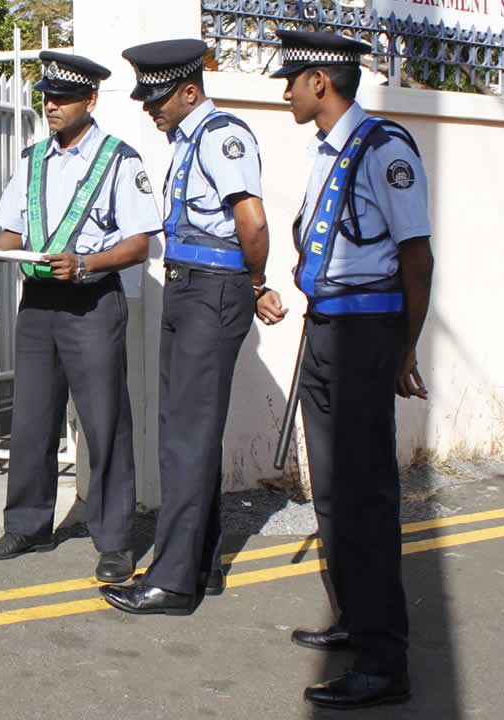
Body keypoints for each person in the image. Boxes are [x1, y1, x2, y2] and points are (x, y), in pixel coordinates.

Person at [256, 30, 434, 710]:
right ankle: (357, 619)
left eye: (293, 80)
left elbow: (416, 257)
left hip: (367, 333)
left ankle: (386, 661)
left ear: (321, 84)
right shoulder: (328, 152)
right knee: (330, 489)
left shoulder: (385, 151)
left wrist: (405, 348)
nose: (287, 90)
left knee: (366, 495)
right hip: (327, 328)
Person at [100, 39, 276, 616]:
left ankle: (173, 583)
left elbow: (251, 219)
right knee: (186, 432)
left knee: (186, 436)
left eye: (158, 99)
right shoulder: (189, 139)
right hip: (190, 287)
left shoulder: (222, 135)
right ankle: (200, 563)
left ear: (190, 91)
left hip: (210, 290)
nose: (151, 109)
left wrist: (254, 283)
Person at [0, 51, 161, 584]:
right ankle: (27, 525)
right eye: (46, 98)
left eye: (62, 98)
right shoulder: (33, 158)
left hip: (91, 303)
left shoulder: (119, 160)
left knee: (104, 424)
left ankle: (115, 540)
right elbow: (14, 230)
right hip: (37, 305)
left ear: (90, 100)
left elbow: (140, 245)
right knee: (31, 419)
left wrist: (85, 264)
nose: (51, 106)